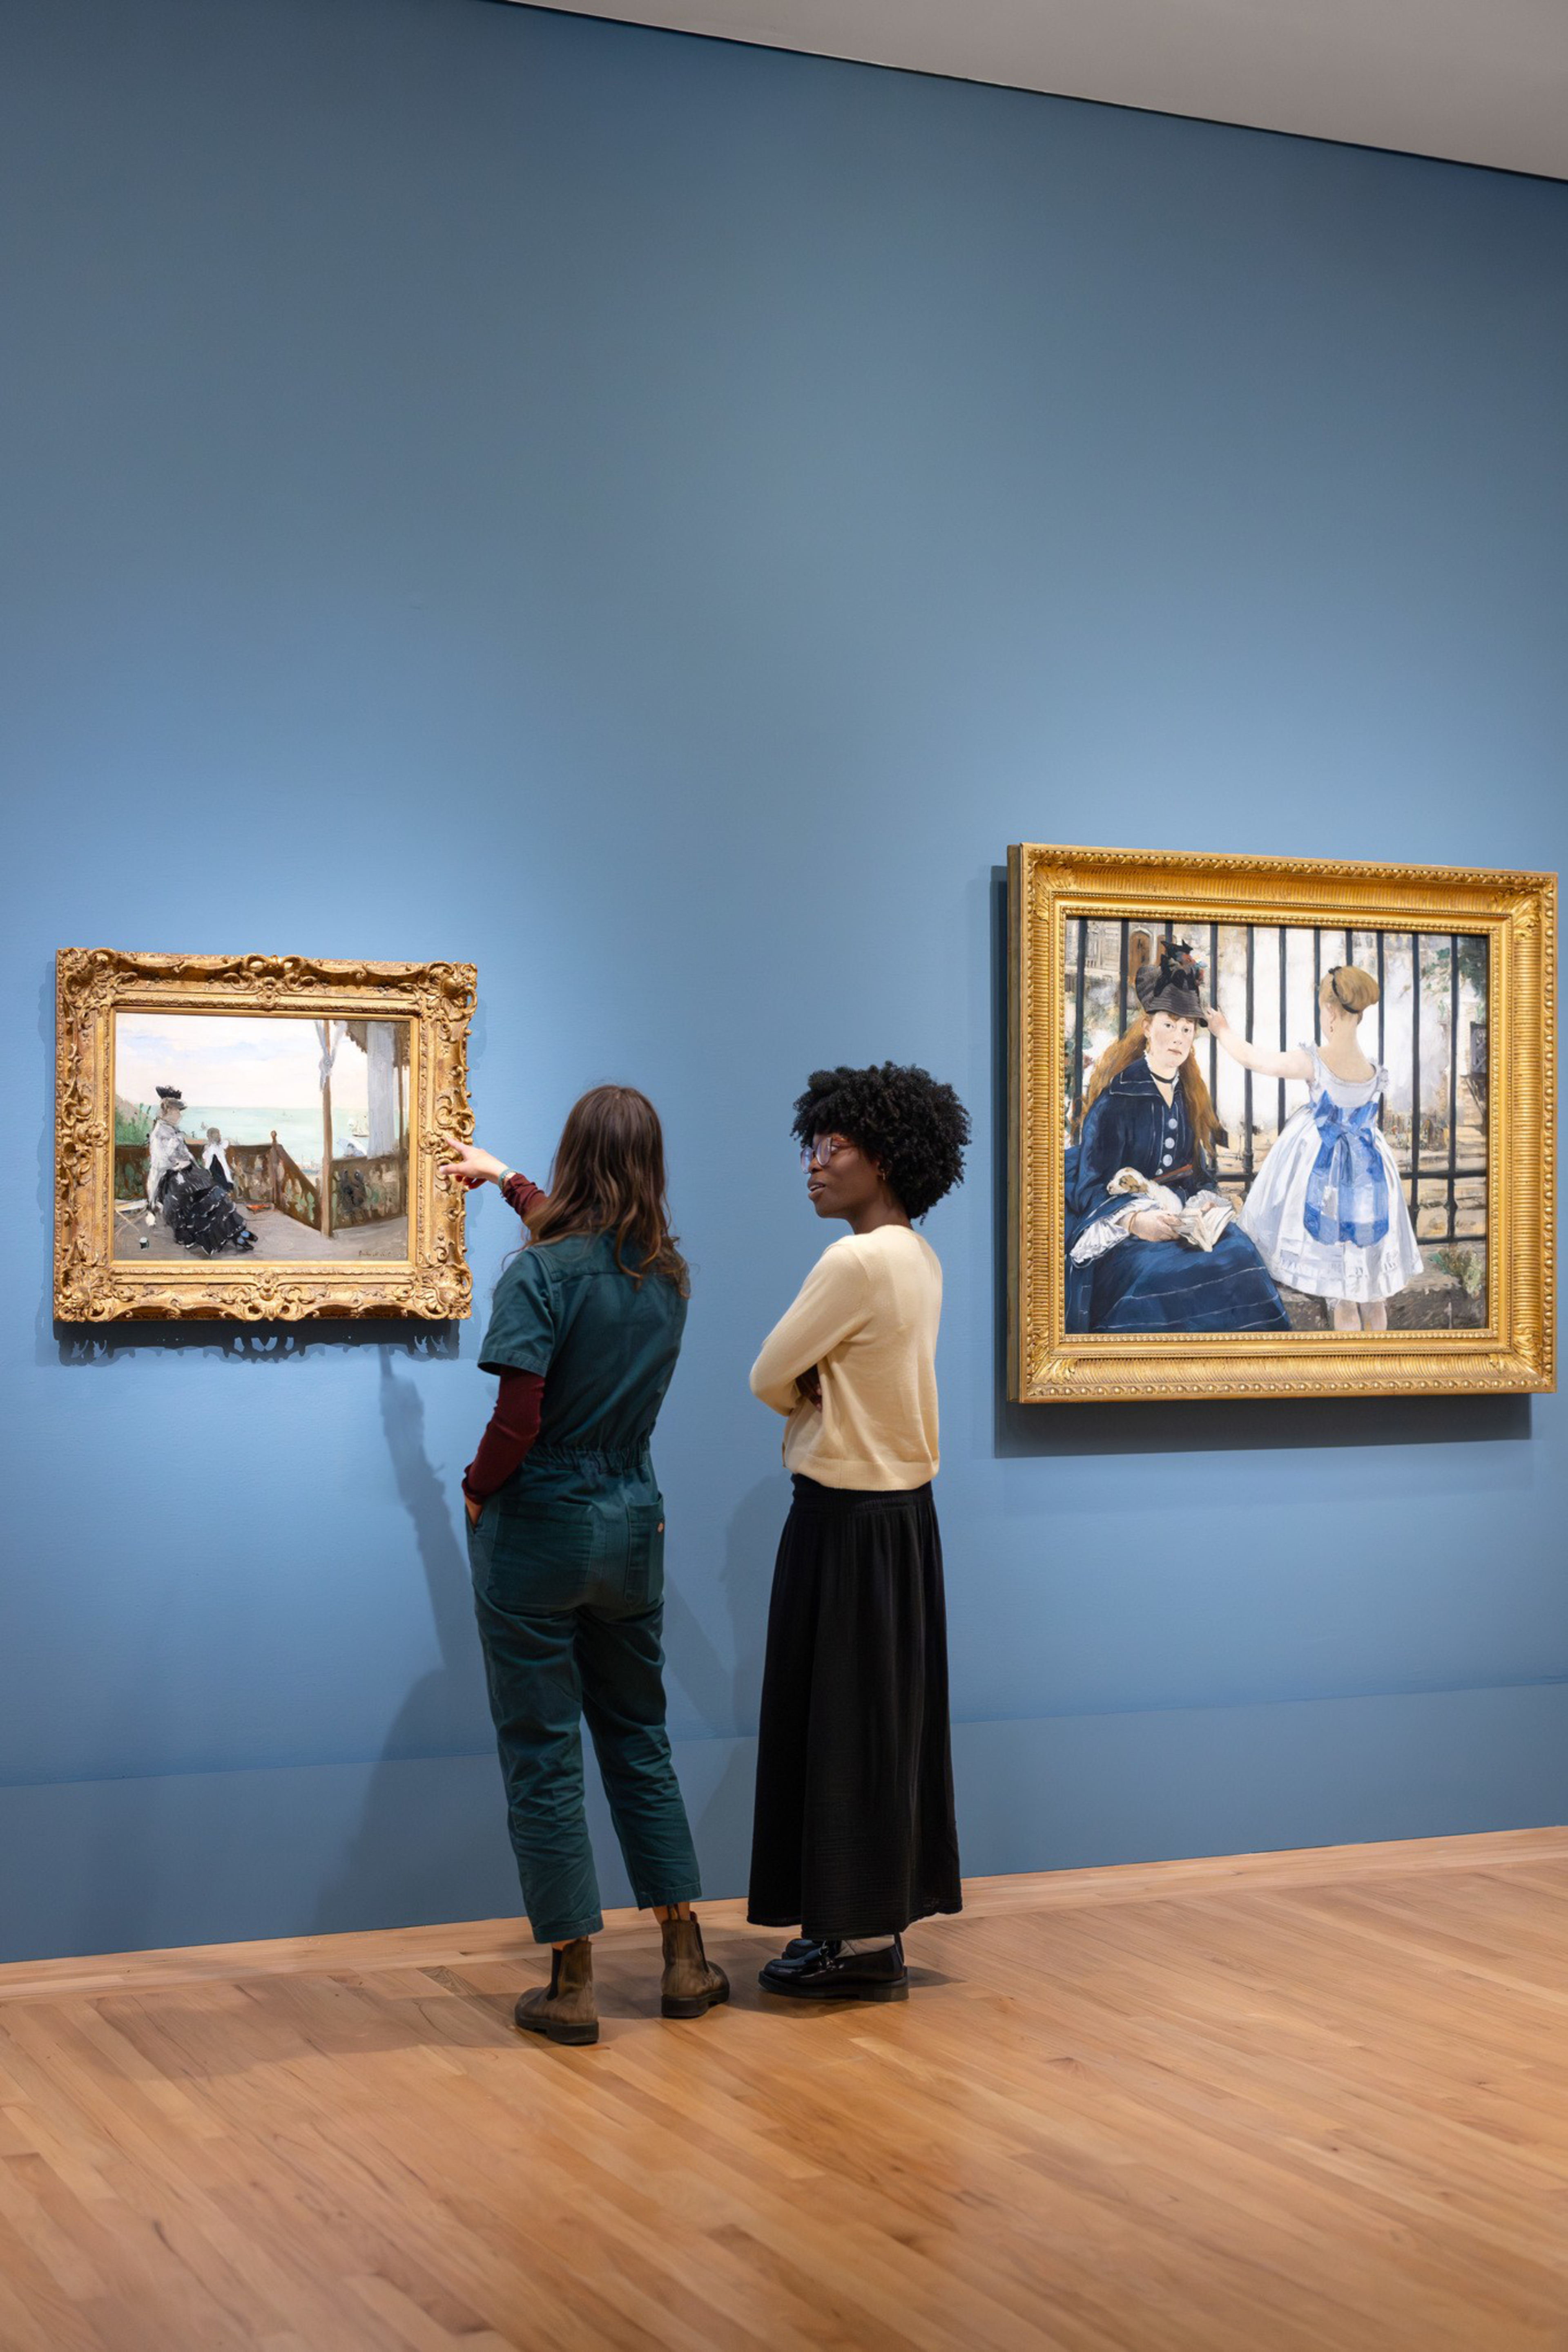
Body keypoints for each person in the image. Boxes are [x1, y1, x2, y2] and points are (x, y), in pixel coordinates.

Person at [441, 1089, 726, 2049]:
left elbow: (518, 1416)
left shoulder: (537, 1276)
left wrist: (479, 1487)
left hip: (541, 1524)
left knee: (541, 1744)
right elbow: (593, 1256)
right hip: (631, 1519)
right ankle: (685, 1956)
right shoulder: (669, 1277)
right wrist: (501, 1178)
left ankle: (571, 1981)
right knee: (638, 1735)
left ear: (573, 1158)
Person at [747, 1061, 968, 2004]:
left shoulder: (853, 1261)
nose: (812, 1162)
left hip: (842, 1519)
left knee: (836, 1725)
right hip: (905, 1521)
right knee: (886, 1722)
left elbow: (766, 1374)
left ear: (882, 1158)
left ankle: (854, 1940)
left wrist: (806, 1396)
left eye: (831, 1147)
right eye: (812, 1143)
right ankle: (868, 1927)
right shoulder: (916, 1255)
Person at [1065, 945, 1288, 1334]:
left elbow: (1196, 1173)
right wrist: (1136, 1221)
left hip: (1181, 1220)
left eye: (1187, 1029)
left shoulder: (1187, 1096)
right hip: (1130, 1232)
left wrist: (1204, 1205)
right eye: (1169, 1024)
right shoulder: (1117, 1099)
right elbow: (1088, 1187)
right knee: (1159, 1276)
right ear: (1147, 1028)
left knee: (1242, 1256)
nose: (1179, 1038)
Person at [1214, 965, 1422, 1329]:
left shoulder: (1315, 1061)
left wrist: (1222, 1030)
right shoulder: (1372, 1068)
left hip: (1326, 1175)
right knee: (1373, 1295)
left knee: (1341, 1293)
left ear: (1329, 1011)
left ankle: (1348, 1376)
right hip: (1369, 1175)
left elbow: (1253, 1059)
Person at [145, 1088, 257, 1254]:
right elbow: (160, 1162)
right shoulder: (158, 1134)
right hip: (170, 1179)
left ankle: (236, 1231)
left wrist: (187, 1162)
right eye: (177, 1111)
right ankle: (219, 1235)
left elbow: (185, 1156)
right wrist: (178, 1162)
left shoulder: (173, 1131)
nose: (179, 1115)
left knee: (215, 1192)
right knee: (194, 1199)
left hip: (187, 1174)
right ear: (167, 1111)